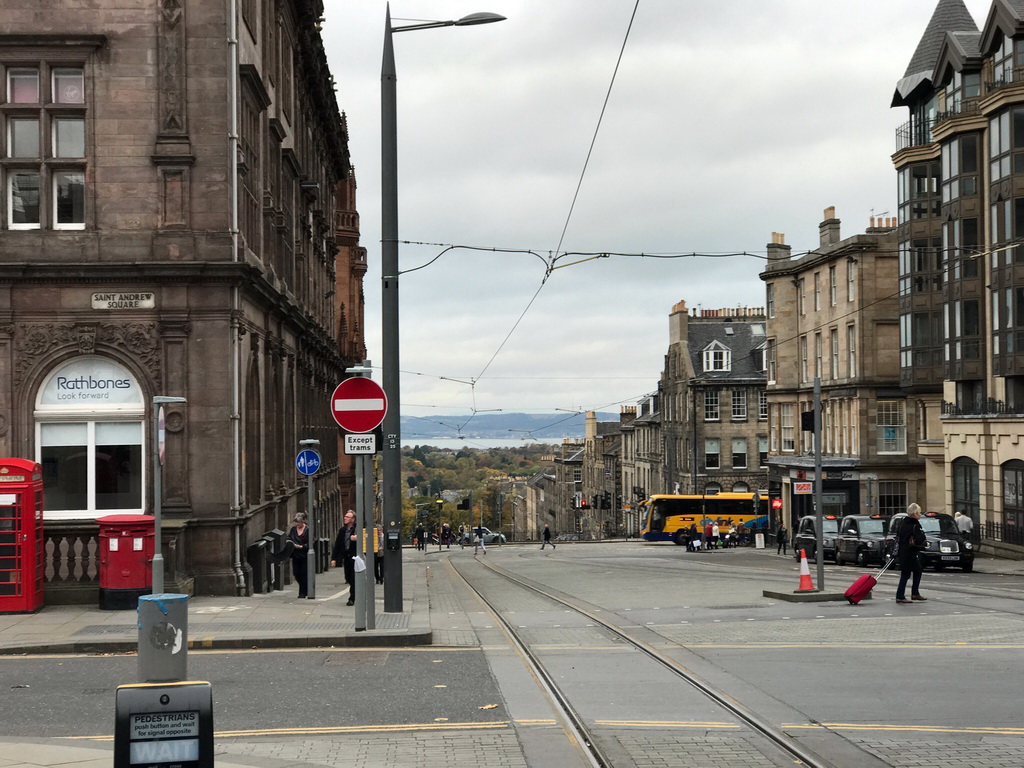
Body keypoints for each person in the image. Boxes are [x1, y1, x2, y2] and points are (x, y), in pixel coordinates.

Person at [895, 502, 927, 604]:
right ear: (915, 514)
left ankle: (913, 593)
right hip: (910, 552)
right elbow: (918, 539)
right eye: (919, 513)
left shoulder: (903, 522)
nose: (920, 514)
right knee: (908, 574)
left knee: (914, 571)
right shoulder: (914, 524)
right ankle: (902, 595)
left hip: (903, 551)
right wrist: (923, 536)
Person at [331, 510, 357, 606]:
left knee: (353, 578)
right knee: (348, 577)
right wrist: (334, 558)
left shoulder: (357, 529)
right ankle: (356, 591)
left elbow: (367, 538)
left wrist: (357, 538)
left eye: (347, 517)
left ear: (353, 519)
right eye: (345, 516)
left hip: (356, 557)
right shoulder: (343, 530)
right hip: (346, 557)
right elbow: (337, 545)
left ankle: (352, 598)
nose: (345, 518)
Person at [288, 513, 310, 598]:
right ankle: (305, 588)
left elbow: (311, 542)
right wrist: (291, 544)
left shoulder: (307, 530)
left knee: (303, 573)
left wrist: (302, 546)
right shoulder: (293, 529)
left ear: (303, 522)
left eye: (299, 522)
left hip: (304, 555)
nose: (297, 524)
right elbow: (289, 538)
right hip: (295, 555)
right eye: (296, 522)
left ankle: (302, 592)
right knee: (296, 573)